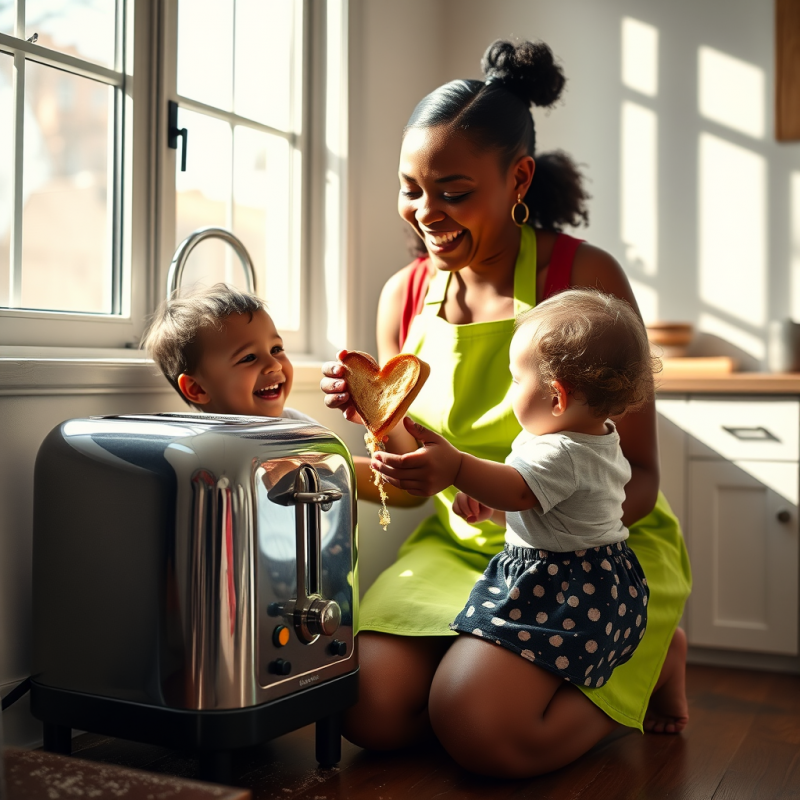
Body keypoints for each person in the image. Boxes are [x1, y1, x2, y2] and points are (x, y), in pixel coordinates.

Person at [321, 38, 692, 778]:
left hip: (587, 553)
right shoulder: (403, 298)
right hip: (464, 549)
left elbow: (641, 475)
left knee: (480, 727)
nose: (426, 214)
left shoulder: (581, 277)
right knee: (362, 705)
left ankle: (629, 664)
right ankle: (485, 680)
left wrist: (545, 517)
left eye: (452, 191)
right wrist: (398, 456)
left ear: (516, 176)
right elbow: (406, 476)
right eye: (411, 189)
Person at [375, 288, 656, 690]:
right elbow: (549, 508)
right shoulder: (590, 435)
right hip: (583, 569)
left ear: (557, 396)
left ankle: (637, 678)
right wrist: (494, 509)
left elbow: (520, 490)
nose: (509, 393)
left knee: (551, 669)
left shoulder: (564, 450)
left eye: (515, 379)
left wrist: (457, 466)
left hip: (569, 588)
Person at [141, 282, 312, 422]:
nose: (274, 364)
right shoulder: (201, 448)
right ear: (198, 389)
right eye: (249, 357)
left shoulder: (300, 425)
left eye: (276, 349)